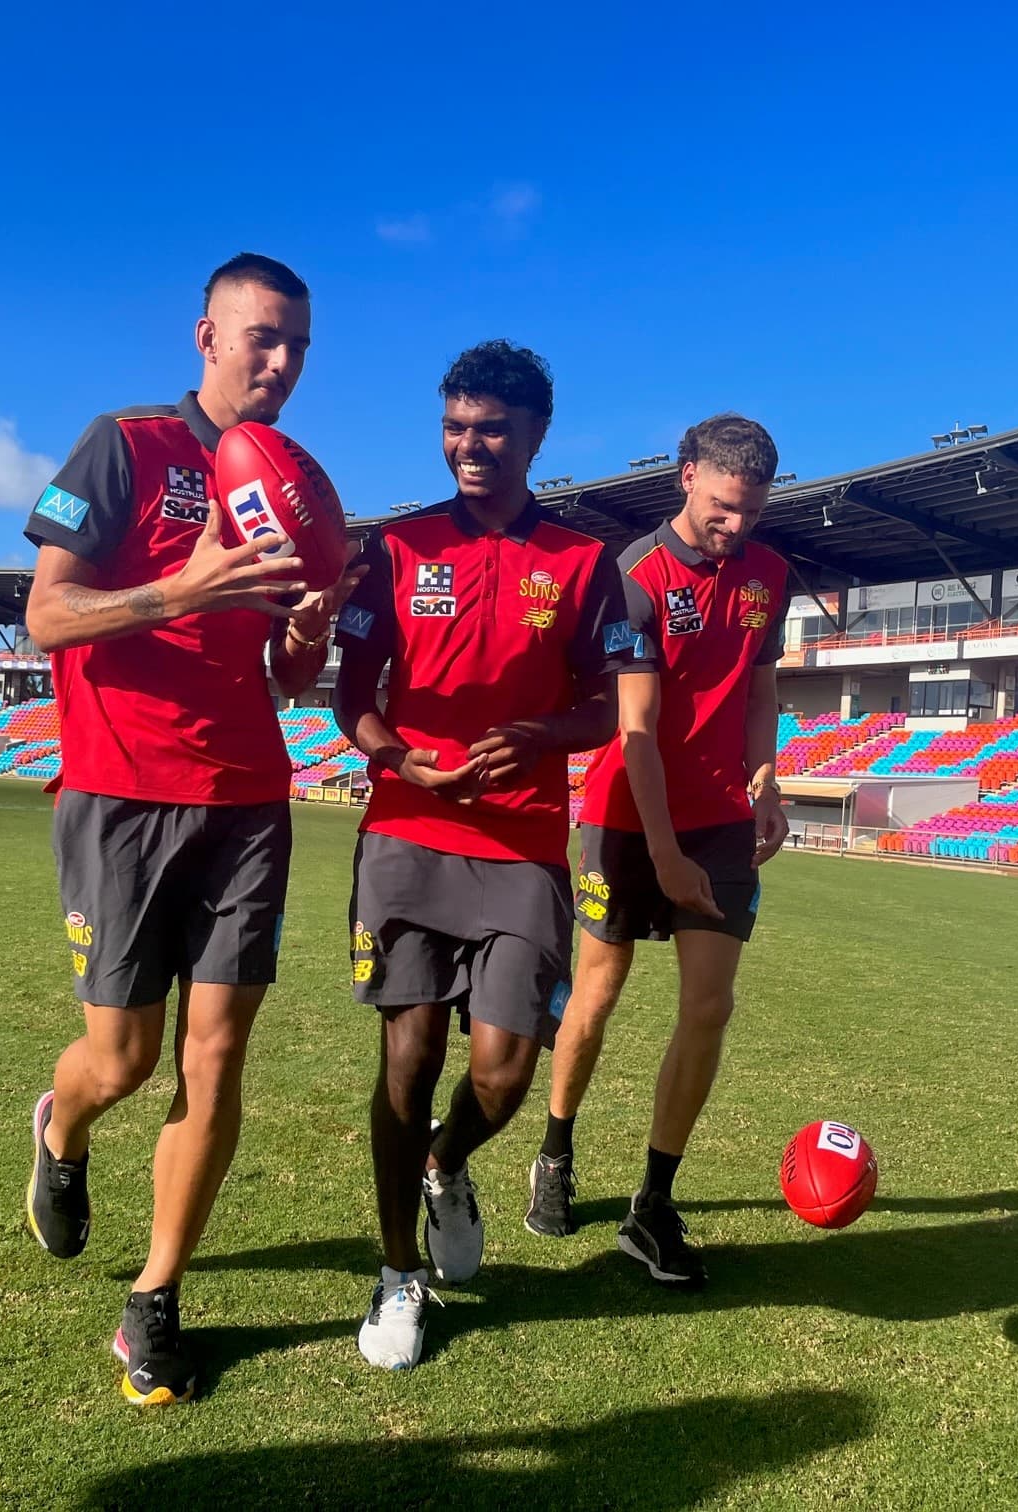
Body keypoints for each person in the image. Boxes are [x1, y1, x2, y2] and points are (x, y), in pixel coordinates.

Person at [20, 252, 361, 1406]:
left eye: (300, 346)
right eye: (263, 337)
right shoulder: (125, 445)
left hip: (249, 802)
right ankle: (60, 1130)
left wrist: (302, 647)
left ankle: (154, 1302)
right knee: (123, 1059)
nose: (282, 363)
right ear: (206, 336)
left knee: (216, 1056)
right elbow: (44, 617)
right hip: (119, 792)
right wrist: (183, 589)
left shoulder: (291, 482)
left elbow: (277, 662)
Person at [333, 340, 629, 1370]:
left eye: (492, 430)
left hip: (522, 850)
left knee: (501, 1075)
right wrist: (400, 759)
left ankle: (447, 1165)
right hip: (408, 833)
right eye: (456, 427)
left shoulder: (584, 563)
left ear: (538, 435)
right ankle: (396, 1275)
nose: (469, 446)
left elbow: (606, 701)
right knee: (407, 1057)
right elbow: (348, 696)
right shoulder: (395, 549)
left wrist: (547, 735)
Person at [527, 414, 792, 1287]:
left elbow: (761, 688)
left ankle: (651, 1205)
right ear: (686, 478)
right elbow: (635, 732)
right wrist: (667, 856)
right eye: (723, 508)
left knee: (709, 1009)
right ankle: (557, 1150)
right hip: (624, 817)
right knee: (597, 991)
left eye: (751, 511)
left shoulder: (770, 575)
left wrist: (766, 780)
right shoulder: (631, 578)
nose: (737, 527)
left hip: (718, 818)